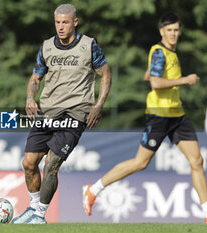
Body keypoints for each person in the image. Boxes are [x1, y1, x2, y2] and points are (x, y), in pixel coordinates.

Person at [83, 12, 207, 223]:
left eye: (176, 30)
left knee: (196, 160)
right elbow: (156, 84)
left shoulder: (170, 53)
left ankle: (206, 213)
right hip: (159, 116)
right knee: (140, 163)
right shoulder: (159, 51)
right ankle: (93, 189)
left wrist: (153, 72)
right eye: (169, 30)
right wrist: (184, 80)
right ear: (162, 32)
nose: (174, 34)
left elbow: (150, 75)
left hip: (177, 115)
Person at [12, 4, 111, 224]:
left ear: (75, 22)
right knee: (28, 163)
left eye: (65, 22)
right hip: (47, 112)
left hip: (75, 114)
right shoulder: (47, 46)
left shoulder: (89, 45)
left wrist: (98, 105)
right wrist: (30, 98)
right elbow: (35, 78)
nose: (60, 27)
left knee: (51, 163)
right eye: (57, 22)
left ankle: (39, 216)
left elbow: (105, 74)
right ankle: (32, 207)